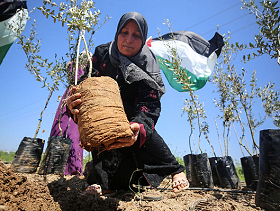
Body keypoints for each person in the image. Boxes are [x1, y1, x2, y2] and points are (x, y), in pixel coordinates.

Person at [66, 12, 189, 195]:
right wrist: (75, 102)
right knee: (104, 130)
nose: (129, 39)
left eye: (136, 35)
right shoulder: (102, 54)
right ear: (117, 34)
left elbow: (150, 102)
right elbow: (86, 83)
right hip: (105, 121)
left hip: (134, 117)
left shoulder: (147, 63)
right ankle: (101, 179)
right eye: (124, 32)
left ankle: (174, 169)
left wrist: (138, 126)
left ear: (142, 39)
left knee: (141, 129)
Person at [50, 51, 90, 176]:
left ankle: (73, 167)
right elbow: (75, 79)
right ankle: (60, 167)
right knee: (65, 129)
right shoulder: (75, 67)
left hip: (76, 97)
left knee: (74, 133)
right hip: (72, 98)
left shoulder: (85, 68)